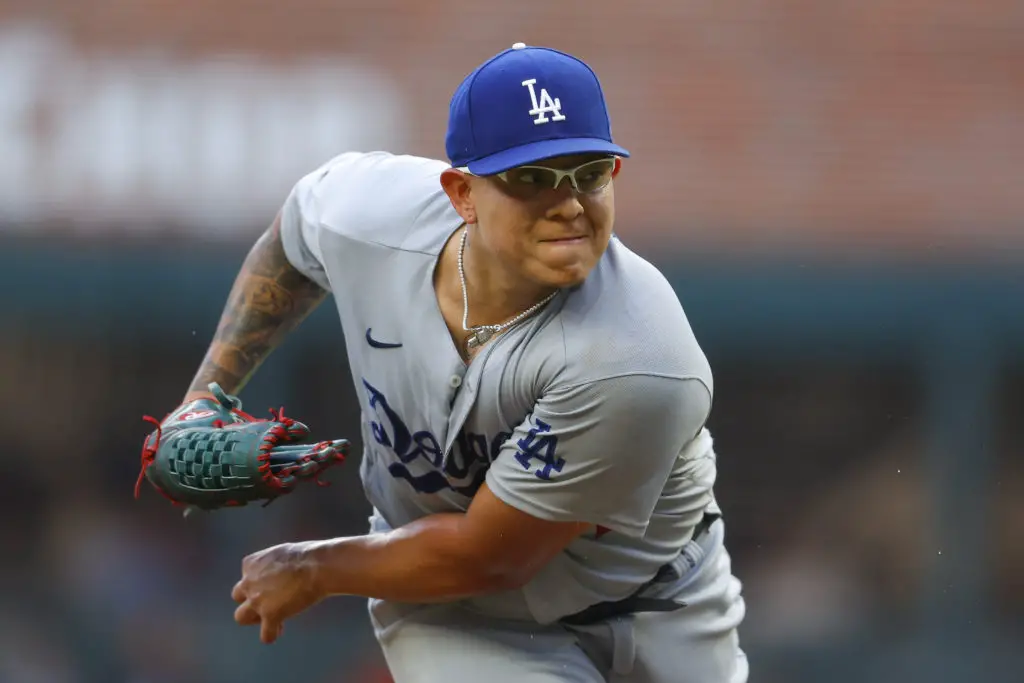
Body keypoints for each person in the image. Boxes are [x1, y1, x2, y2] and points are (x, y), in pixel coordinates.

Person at [200, 42, 747, 682]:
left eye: (588, 172)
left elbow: (492, 558)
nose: (568, 202)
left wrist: (313, 567)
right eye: (532, 178)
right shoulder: (371, 215)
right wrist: (204, 397)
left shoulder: (637, 357)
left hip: (664, 603)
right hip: (459, 613)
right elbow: (291, 244)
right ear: (462, 192)